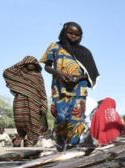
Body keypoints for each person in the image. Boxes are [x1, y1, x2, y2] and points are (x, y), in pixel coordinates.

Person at [41, 22, 99, 150]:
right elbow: (47, 66)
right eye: (70, 33)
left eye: (77, 35)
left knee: (76, 118)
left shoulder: (85, 52)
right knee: (61, 117)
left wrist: (78, 78)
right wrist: (59, 74)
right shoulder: (54, 47)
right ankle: (60, 142)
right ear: (64, 32)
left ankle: (73, 145)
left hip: (79, 88)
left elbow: (91, 74)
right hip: (60, 88)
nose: (73, 36)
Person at [3, 56, 48, 146]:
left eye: (33, 63)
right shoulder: (19, 74)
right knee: (20, 119)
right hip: (20, 99)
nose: (30, 65)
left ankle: (31, 141)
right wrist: (20, 63)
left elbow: (42, 90)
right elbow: (6, 72)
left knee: (33, 121)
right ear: (24, 64)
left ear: (36, 65)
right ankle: (20, 137)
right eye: (28, 63)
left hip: (34, 101)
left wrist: (44, 104)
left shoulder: (38, 76)